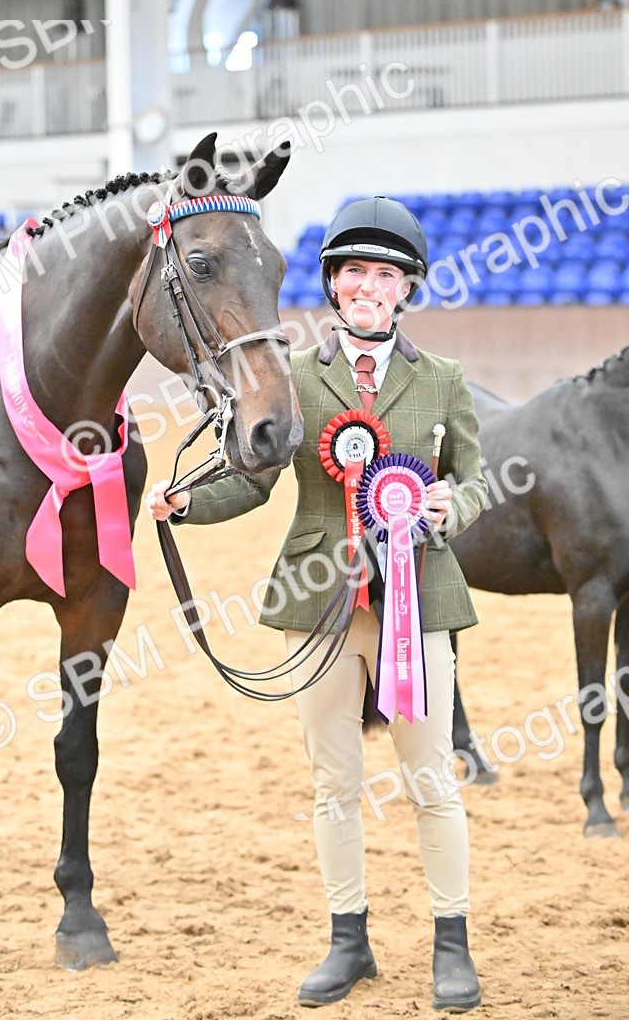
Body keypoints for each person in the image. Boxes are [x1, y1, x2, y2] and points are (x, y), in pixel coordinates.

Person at [146, 197, 488, 1012]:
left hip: (418, 602)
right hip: (321, 605)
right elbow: (254, 480)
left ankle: (452, 942)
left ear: (407, 288)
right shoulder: (296, 377)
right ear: (333, 286)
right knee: (334, 783)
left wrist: (451, 506)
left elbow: (474, 477)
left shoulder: (441, 381)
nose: (371, 286)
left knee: (431, 779)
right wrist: (187, 504)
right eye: (355, 273)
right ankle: (349, 941)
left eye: (386, 274)